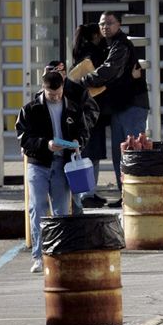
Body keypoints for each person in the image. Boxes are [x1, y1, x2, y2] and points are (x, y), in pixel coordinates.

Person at [16, 71, 90, 273]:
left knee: (61, 212)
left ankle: (59, 255)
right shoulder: (30, 110)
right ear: (43, 89)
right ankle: (39, 256)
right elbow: (24, 138)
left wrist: (78, 143)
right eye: (51, 94)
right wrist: (45, 145)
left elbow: (84, 132)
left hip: (63, 164)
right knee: (37, 208)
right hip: (38, 164)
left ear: (63, 87)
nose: (55, 97)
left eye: (58, 93)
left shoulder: (73, 108)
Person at [80, 11, 150, 208]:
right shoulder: (108, 45)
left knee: (133, 153)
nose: (105, 27)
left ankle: (136, 196)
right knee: (121, 154)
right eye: (102, 24)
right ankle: (126, 196)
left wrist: (83, 80)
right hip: (120, 107)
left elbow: (110, 70)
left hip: (132, 105)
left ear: (119, 24)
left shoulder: (121, 44)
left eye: (110, 23)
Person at [42, 61, 100, 214]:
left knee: (75, 192)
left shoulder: (77, 91)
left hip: (72, 148)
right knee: (52, 197)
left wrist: (79, 133)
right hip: (52, 151)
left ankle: (76, 228)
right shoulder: (43, 94)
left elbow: (92, 111)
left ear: (64, 74)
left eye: (58, 74)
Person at [70, 24, 109, 208]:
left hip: (82, 111)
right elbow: (100, 79)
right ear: (95, 35)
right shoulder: (93, 54)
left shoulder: (79, 53)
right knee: (91, 154)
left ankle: (89, 191)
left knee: (87, 153)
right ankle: (87, 193)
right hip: (91, 110)